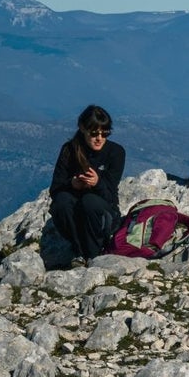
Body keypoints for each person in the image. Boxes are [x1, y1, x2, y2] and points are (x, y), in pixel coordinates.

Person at [49, 105, 124, 265]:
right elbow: (55, 189)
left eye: (105, 133)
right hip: (76, 212)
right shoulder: (69, 150)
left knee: (89, 201)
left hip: (104, 213)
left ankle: (93, 254)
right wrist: (72, 184)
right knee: (62, 202)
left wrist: (97, 183)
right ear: (83, 129)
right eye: (94, 133)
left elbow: (110, 195)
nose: (99, 138)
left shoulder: (116, 152)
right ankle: (79, 252)